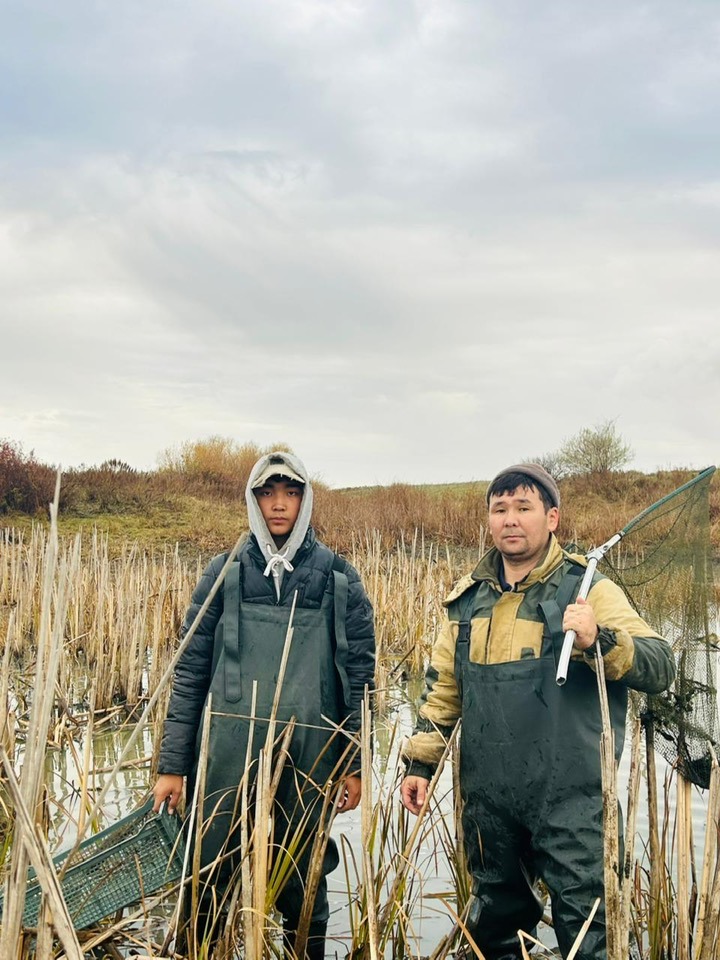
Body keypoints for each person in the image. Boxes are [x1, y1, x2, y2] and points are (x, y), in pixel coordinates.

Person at [400, 463, 675, 960]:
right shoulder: (467, 601)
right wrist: (420, 764)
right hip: (489, 804)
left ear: (552, 518)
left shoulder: (589, 589)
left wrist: (598, 639)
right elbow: (443, 692)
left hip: (574, 802)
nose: (510, 519)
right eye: (499, 509)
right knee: (494, 930)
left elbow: (660, 666)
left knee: (590, 933)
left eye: (523, 508)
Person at [152, 451, 375, 960]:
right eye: (268, 493)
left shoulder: (337, 578)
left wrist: (354, 764)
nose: (279, 504)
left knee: (304, 875)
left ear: (305, 500)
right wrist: (172, 766)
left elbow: (359, 680)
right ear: (253, 501)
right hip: (226, 759)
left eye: (291, 493)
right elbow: (189, 675)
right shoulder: (223, 573)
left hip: (309, 759)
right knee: (208, 876)